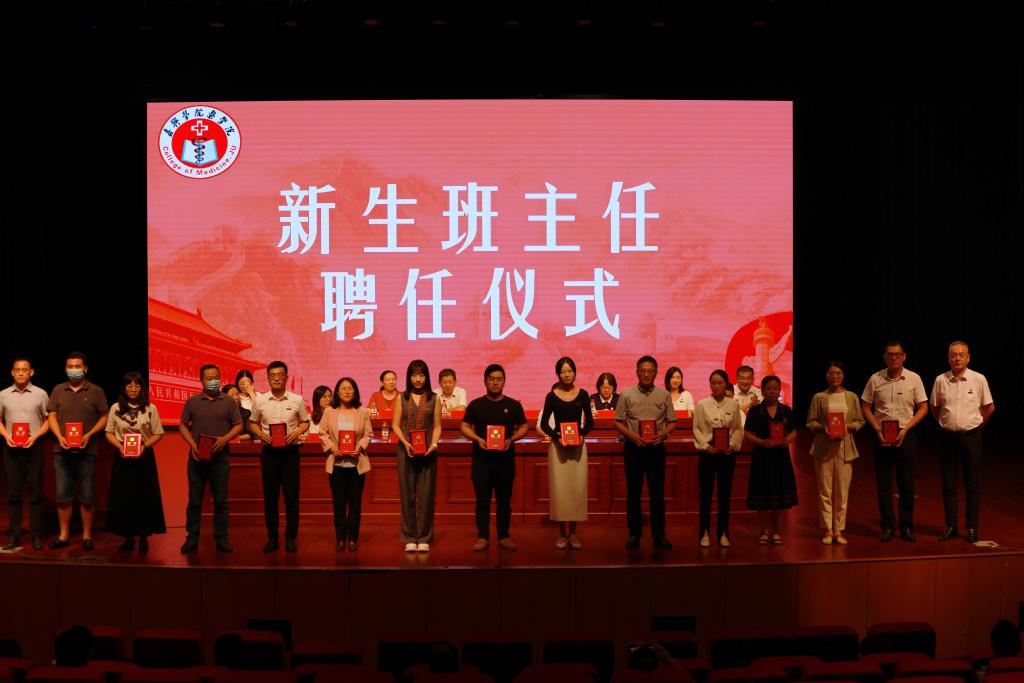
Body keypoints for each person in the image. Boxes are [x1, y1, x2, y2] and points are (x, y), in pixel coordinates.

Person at [860, 341, 929, 543]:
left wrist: (906, 429)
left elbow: (923, 407)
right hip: (881, 434)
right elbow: (865, 406)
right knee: (883, 484)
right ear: (885, 357)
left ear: (904, 356)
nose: (894, 357)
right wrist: (876, 429)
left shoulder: (914, 378)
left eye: (897, 354)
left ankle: (906, 526)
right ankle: (887, 526)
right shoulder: (875, 378)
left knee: (907, 484)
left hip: (906, 434)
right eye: (890, 354)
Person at [930, 341, 994, 543]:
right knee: (949, 483)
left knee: (972, 483)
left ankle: (972, 527)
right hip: (948, 437)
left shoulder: (978, 379)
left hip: (971, 436)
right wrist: (945, 423)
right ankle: (951, 526)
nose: (957, 358)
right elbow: (934, 407)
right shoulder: (941, 380)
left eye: (961, 354)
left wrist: (976, 426)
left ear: (968, 358)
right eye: (953, 355)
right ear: (948, 358)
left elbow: (989, 407)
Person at [461, 364, 528, 551]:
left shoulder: (513, 405)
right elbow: (464, 426)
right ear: (485, 381)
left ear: (504, 382)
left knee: (504, 502)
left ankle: (504, 536)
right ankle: (482, 537)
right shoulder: (476, 405)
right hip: (481, 461)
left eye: (499, 379)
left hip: (505, 461)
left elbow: (523, 427)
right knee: (482, 501)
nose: (495, 383)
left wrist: (511, 439)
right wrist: (477, 439)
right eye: (491, 379)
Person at [46, 351, 108, 550]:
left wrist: (89, 435)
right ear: (66, 369)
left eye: (77, 366)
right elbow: (51, 416)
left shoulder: (96, 391)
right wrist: (59, 436)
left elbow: (104, 417)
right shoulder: (58, 390)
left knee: (87, 496)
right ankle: (63, 535)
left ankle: (87, 536)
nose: (74, 370)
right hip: (61, 451)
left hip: (87, 452)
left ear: (85, 368)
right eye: (70, 366)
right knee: (63, 495)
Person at [178, 364, 243, 553]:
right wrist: (192, 444)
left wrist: (225, 439)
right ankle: (192, 537)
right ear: (201, 380)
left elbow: (238, 425)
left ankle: (221, 538)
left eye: (216, 377)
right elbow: (182, 425)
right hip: (197, 459)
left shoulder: (229, 401)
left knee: (221, 502)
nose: (213, 381)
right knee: (195, 501)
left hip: (220, 460)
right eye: (209, 378)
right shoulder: (193, 401)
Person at [615, 355, 677, 549]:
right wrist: (632, 436)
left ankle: (659, 535)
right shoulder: (626, 394)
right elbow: (618, 422)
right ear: (637, 372)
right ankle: (634, 534)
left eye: (650, 371)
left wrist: (664, 434)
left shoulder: (664, 395)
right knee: (633, 493)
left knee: (657, 494)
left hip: (656, 449)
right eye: (643, 371)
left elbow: (672, 421)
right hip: (633, 449)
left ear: (656, 373)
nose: (646, 374)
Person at [250, 361, 311, 553]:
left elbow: (306, 422)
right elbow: (252, 423)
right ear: (268, 378)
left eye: (280, 375)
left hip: (290, 453)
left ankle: (291, 538)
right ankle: (272, 538)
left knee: (291, 498)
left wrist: (297, 432)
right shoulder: (260, 401)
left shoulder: (297, 400)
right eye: (272, 375)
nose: (276, 378)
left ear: (286, 377)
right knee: (270, 498)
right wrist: (261, 434)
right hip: (269, 453)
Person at [103, 372, 166, 551]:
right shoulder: (116, 407)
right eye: (129, 385)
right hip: (122, 455)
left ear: (142, 388)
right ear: (123, 388)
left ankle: (144, 537)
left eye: (137, 385)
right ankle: (128, 537)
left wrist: (144, 446)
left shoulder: (150, 408)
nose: (133, 389)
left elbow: (158, 433)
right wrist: (120, 447)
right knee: (124, 496)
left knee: (144, 496)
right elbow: (109, 432)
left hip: (144, 456)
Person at [807, 361, 864, 545]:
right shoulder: (819, 397)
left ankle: (839, 529)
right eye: (831, 373)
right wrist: (823, 428)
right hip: (823, 447)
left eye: (838, 373)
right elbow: (811, 422)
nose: (834, 376)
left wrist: (848, 427)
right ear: (826, 375)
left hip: (845, 448)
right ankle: (828, 529)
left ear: (843, 375)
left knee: (842, 491)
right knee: (825, 490)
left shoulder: (852, 397)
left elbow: (860, 421)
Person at [539, 357, 594, 549]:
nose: (566, 374)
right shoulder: (551, 396)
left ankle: (573, 532)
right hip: (558, 448)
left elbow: (590, 422)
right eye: (562, 371)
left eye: (569, 370)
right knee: (560, 490)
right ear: (557, 374)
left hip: (578, 447)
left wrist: (581, 435)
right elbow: (544, 423)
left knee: (577, 489)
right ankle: (562, 533)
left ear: (575, 372)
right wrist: (557, 437)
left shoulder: (583, 394)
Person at [0, 357, 50, 550]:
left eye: (25, 369)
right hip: (11, 449)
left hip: (34, 448)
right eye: (17, 370)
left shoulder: (41, 394)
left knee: (35, 494)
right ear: (12, 372)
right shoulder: (3, 395)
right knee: (13, 494)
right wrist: (6, 436)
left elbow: (48, 420)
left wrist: (35, 437)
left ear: (31, 372)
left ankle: (37, 535)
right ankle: (14, 536)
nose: (21, 373)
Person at [393, 360, 443, 552]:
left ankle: (424, 537)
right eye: (414, 375)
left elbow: (437, 426)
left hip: (428, 451)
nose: (418, 379)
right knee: (407, 495)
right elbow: (396, 424)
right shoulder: (402, 397)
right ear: (409, 377)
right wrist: (405, 443)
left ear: (427, 377)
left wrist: (434, 444)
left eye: (421, 375)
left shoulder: (434, 398)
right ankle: (409, 537)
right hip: (405, 451)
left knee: (426, 495)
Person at [319, 377, 373, 551]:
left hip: (357, 466)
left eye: (350, 388)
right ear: (337, 392)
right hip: (337, 466)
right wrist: (331, 447)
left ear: (355, 392)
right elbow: (322, 433)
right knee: (339, 504)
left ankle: (353, 538)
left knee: (355, 504)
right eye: (343, 388)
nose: (347, 391)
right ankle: (340, 538)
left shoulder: (362, 412)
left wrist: (360, 447)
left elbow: (368, 434)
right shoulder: (329, 412)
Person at [744, 375, 799, 545]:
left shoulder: (786, 410)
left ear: (779, 390)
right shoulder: (755, 411)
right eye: (768, 388)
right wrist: (761, 442)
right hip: (761, 458)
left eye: (775, 388)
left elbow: (794, 431)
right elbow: (747, 434)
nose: (772, 391)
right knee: (762, 496)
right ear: (762, 391)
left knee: (779, 495)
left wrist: (787, 440)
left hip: (781, 458)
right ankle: (763, 531)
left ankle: (776, 531)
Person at [692, 370, 744, 547]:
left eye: (719, 383)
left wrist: (733, 445)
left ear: (726, 384)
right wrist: (705, 445)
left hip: (727, 455)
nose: (716, 386)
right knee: (705, 495)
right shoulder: (702, 405)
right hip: (708, 454)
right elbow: (697, 429)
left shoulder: (733, 405)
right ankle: (704, 532)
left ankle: (723, 533)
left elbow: (737, 429)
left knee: (724, 496)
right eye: (713, 383)